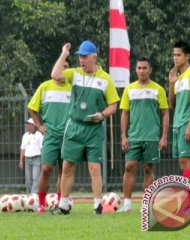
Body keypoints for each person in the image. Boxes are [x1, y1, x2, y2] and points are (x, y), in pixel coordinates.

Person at [51, 40, 120, 215]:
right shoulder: (74, 74)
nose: (81, 60)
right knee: (67, 166)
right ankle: (64, 205)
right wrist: (64, 54)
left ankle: (97, 205)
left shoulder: (105, 79)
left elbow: (113, 105)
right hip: (74, 126)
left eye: (85, 56)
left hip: (94, 129)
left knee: (94, 168)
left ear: (94, 57)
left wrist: (102, 115)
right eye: (80, 56)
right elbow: (55, 74)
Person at [118, 58, 169, 212]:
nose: (141, 71)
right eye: (139, 68)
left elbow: (165, 113)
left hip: (152, 137)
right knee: (129, 166)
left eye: (144, 68)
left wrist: (164, 136)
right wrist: (123, 136)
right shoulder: (129, 89)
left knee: (148, 168)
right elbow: (124, 114)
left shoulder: (158, 89)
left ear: (150, 70)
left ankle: (147, 204)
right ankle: (127, 205)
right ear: (135, 70)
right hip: (133, 137)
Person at [28, 60, 71, 214]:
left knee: (64, 171)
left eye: (66, 67)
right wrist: (39, 126)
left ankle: (61, 203)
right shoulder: (45, 87)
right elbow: (32, 108)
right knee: (46, 169)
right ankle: (41, 205)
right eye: (61, 66)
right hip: (51, 136)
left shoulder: (73, 88)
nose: (63, 70)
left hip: (68, 136)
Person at [168, 41, 190, 188]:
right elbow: (171, 104)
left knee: (187, 161)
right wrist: (171, 83)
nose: (175, 58)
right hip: (177, 124)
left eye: (179, 55)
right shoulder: (178, 77)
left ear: (187, 56)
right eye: (174, 55)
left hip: (186, 124)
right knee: (183, 163)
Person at [19, 118, 44, 194]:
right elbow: (23, 148)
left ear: (33, 125)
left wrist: (42, 161)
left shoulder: (39, 135)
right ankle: (33, 194)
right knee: (29, 179)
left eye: (29, 124)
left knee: (36, 178)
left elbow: (41, 148)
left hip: (36, 158)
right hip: (27, 159)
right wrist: (21, 160)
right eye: (27, 124)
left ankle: (33, 196)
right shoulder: (25, 136)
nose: (28, 126)